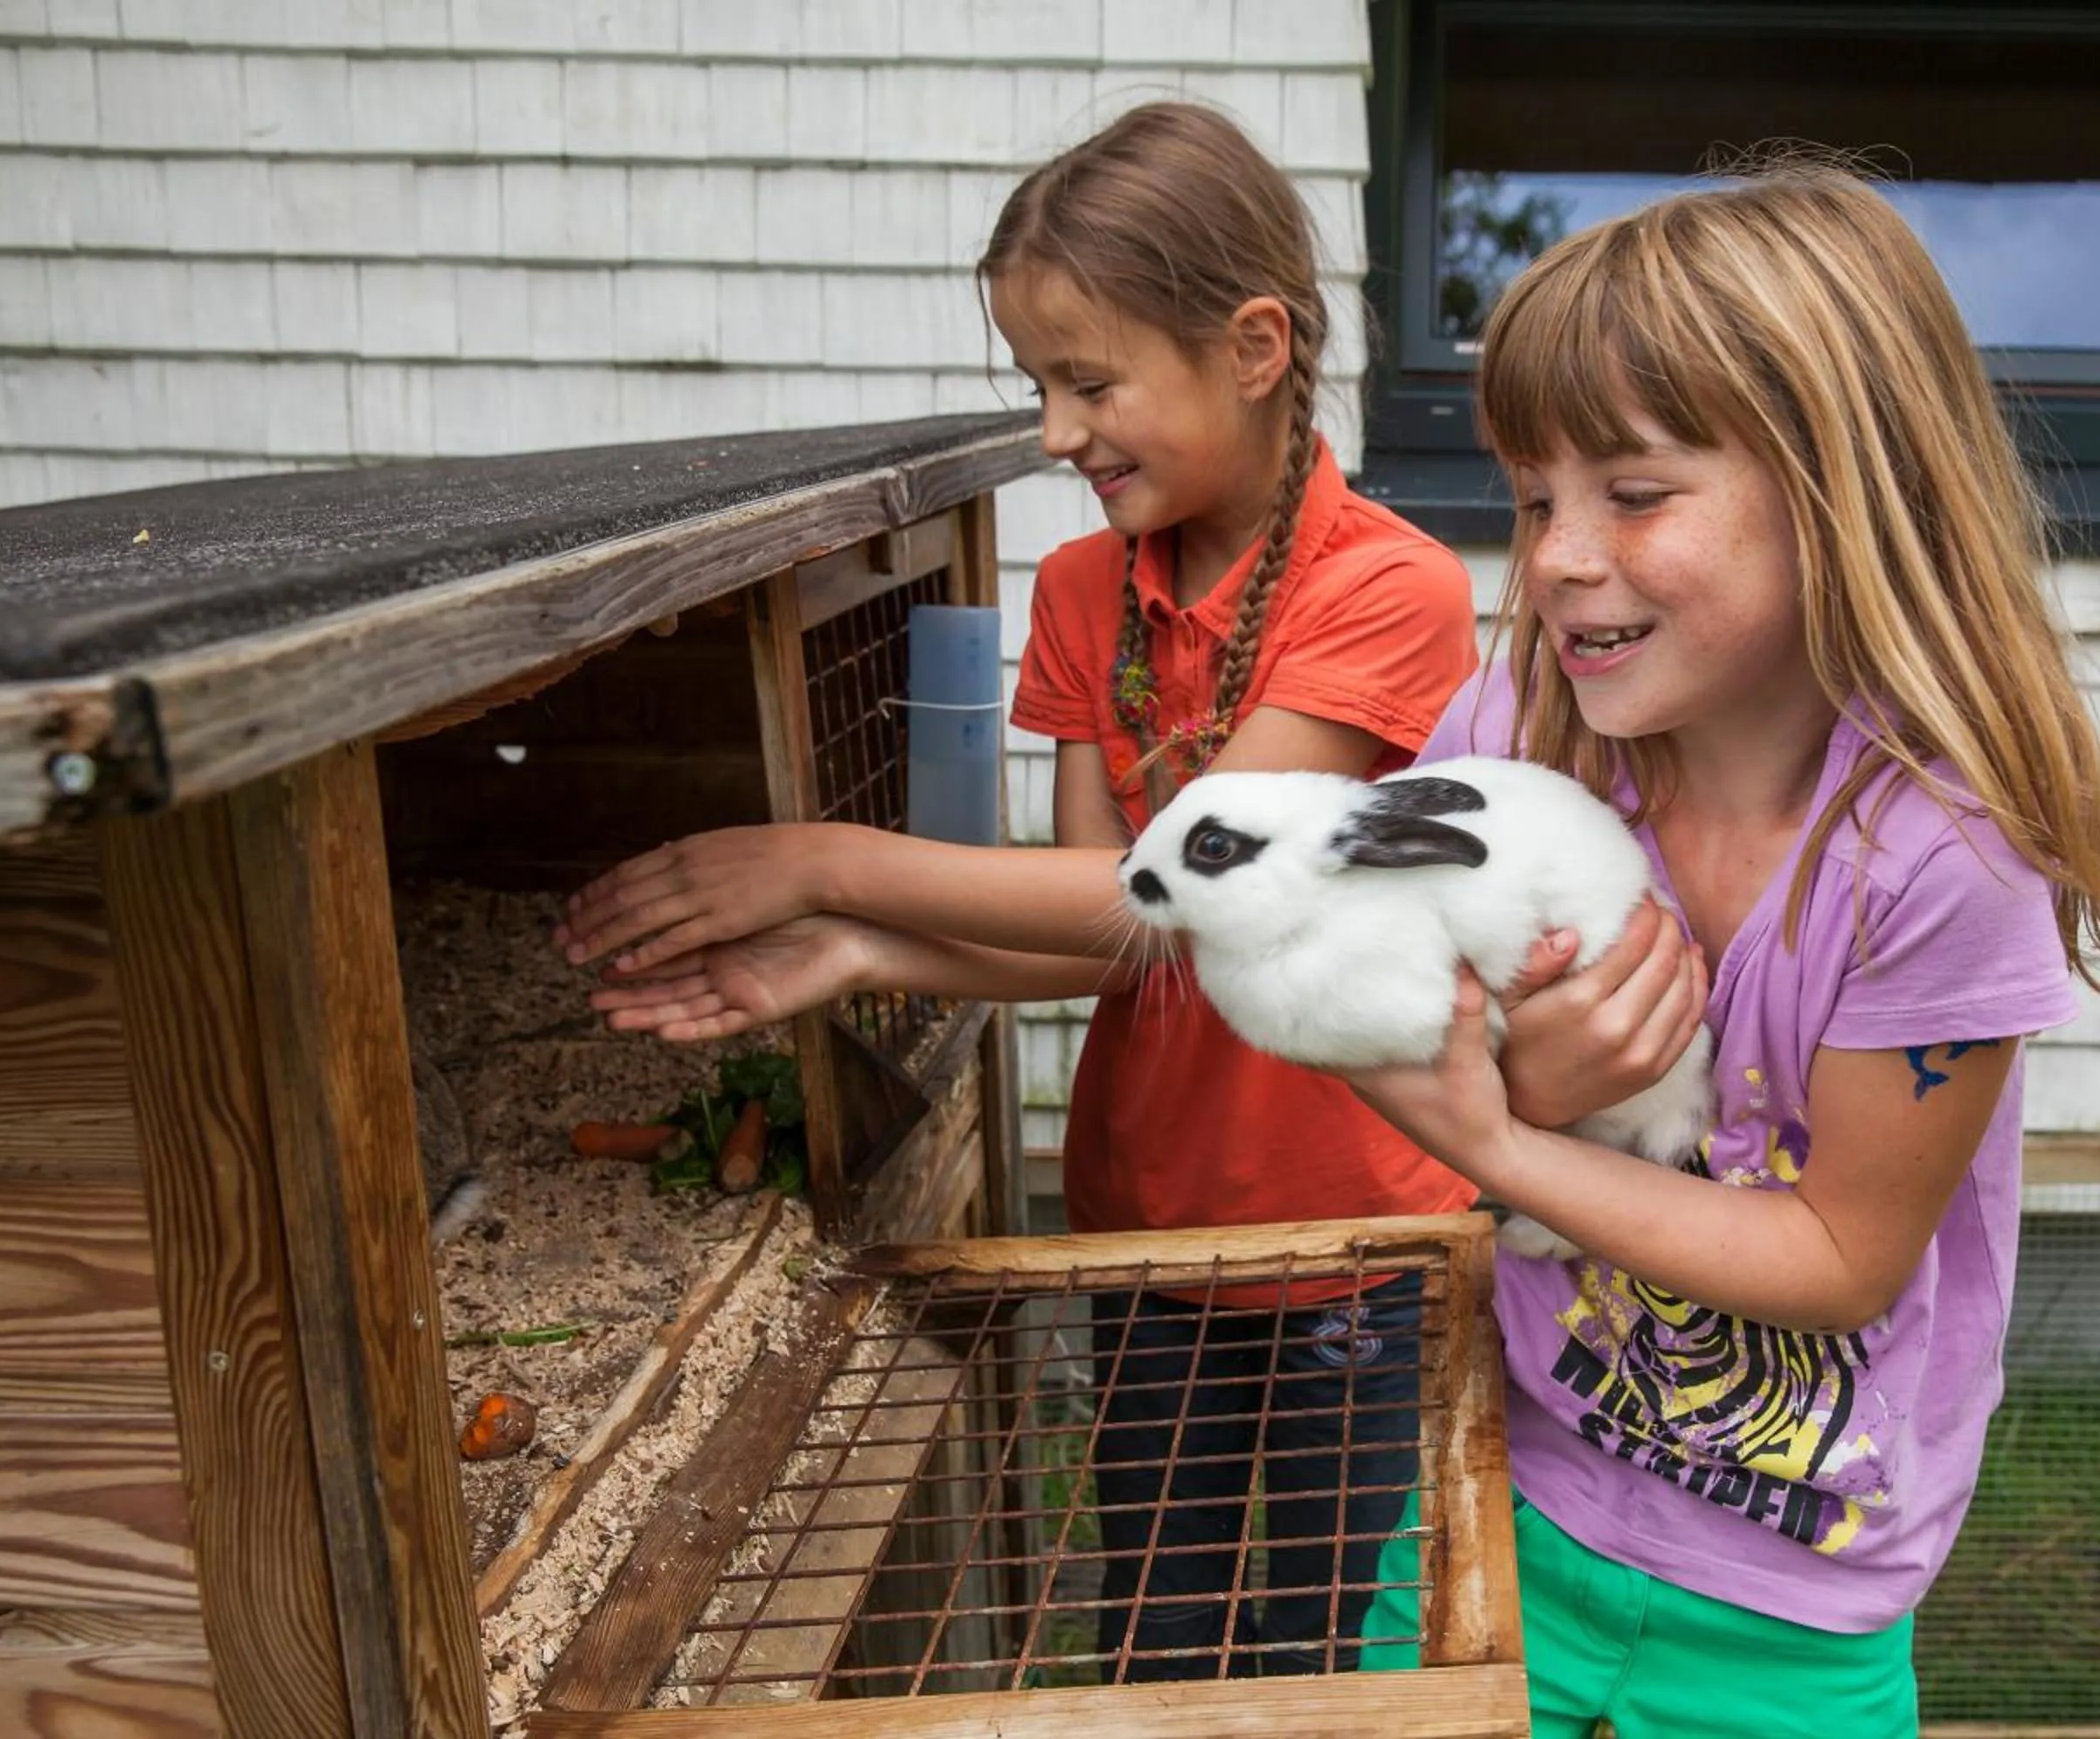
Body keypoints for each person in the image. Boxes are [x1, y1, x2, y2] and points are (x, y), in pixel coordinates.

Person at [551, 102, 1479, 1681]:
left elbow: (1180, 893)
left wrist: (826, 858)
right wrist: (851, 947)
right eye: (1040, 383)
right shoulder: (1078, 590)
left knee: (1329, 1646)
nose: (1056, 433)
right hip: (1140, 1225)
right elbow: (1107, 935)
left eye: (1091, 381)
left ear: (1254, 346)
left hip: (1360, 1239)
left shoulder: (1386, 587)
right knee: (1156, 1629)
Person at [1344, 164, 2100, 1736]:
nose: (1551, 559)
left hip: (1794, 1606)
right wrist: (1512, 1082)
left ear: (1837, 488)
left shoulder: (1947, 852)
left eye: (1635, 493)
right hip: (1498, 1496)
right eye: (1535, 499)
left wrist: (1493, 1136)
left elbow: (1836, 1257)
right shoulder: (1517, 728)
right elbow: (1373, 994)